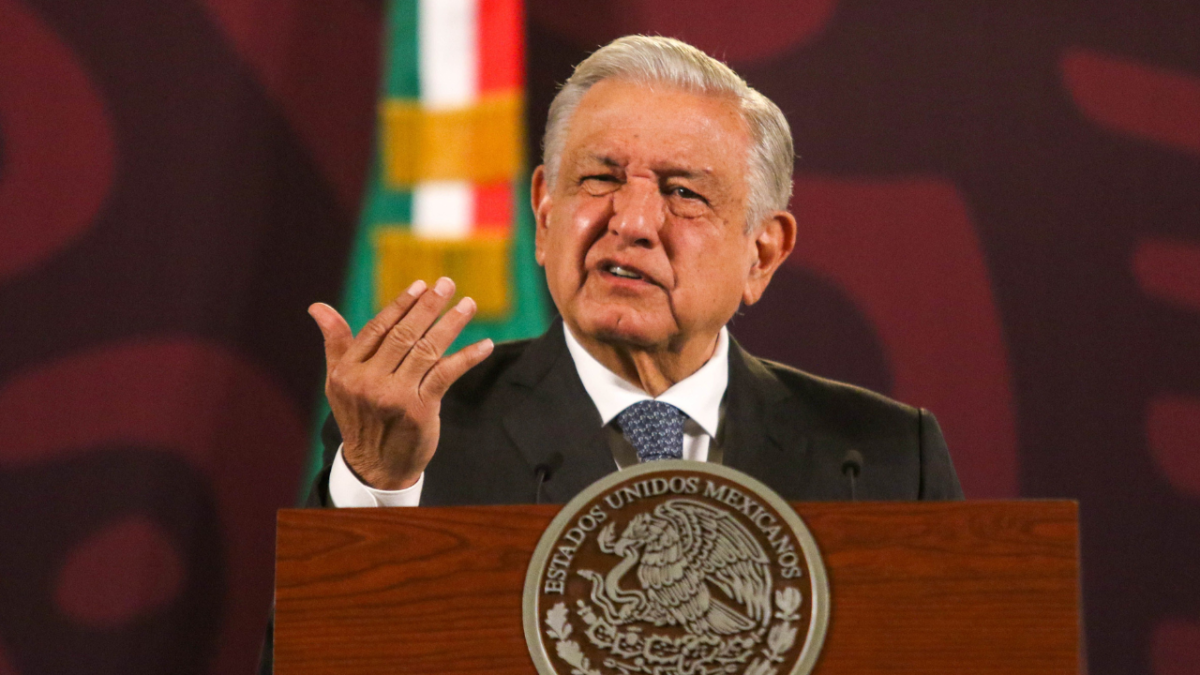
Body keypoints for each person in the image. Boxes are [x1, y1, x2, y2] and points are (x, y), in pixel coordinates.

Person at [305, 35, 962, 509]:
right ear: (543, 215)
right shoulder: (411, 439)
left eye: (683, 192)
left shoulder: (885, 459)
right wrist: (377, 487)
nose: (633, 220)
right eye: (599, 178)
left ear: (761, 254)